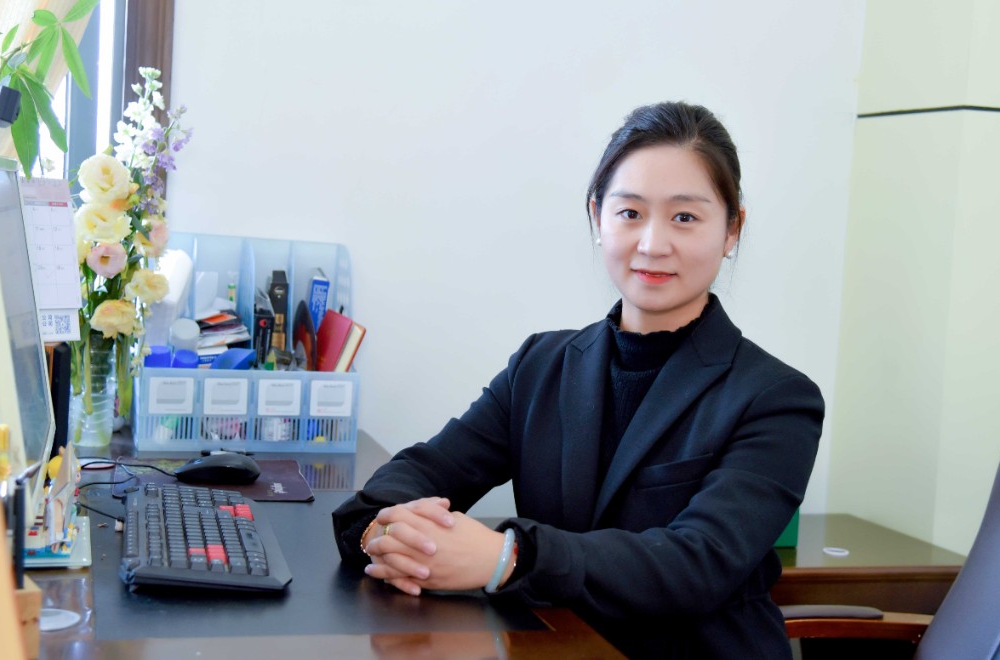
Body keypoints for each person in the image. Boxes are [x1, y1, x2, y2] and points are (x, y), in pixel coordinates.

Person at [332, 101, 824, 658]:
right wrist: (384, 532)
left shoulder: (777, 398)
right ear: (597, 217)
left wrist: (507, 558)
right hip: (553, 648)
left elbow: (697, 564)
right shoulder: (540, 365)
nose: (652, 243)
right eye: (630, 212)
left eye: (685, 217)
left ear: (732, 229)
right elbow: (421, 473)